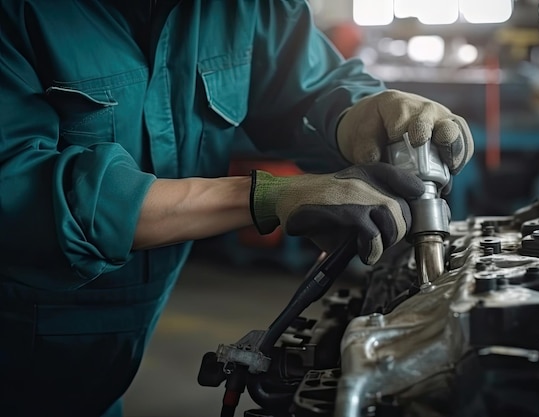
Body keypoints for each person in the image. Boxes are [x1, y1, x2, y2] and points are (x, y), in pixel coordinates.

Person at [0, 1, 474, 416]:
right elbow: (20, 185)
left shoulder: (244, 7)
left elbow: (308, 88)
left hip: (104, 369)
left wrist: (359, 114)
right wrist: (265, 197)